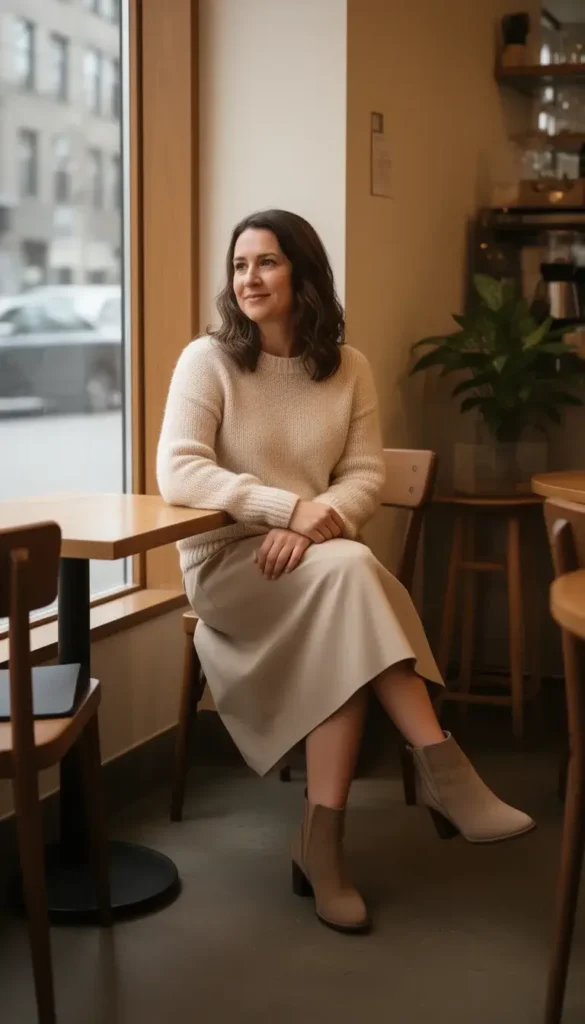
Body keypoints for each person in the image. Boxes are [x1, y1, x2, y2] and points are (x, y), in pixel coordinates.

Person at [157, 209, 535, 935]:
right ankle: (441, 769)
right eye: (239, 265)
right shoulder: (207, 361)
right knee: (353, 576)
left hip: (317, 561)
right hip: (230, 566)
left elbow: (363, 477)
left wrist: (315, 521)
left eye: (266, 262)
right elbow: (177, 470)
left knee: (345, 602)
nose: (249, 279)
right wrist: (282, 511)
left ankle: (322, 846)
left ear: (303, 273)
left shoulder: (347, 366)